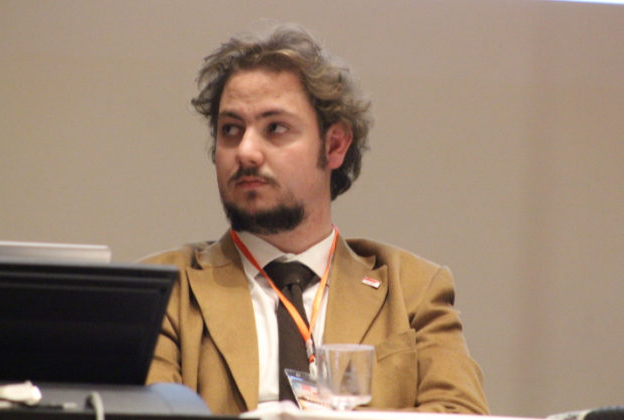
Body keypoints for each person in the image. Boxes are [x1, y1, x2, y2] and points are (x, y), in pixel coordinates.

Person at [144, 24, 489, 415]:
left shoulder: (411, 290)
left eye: (275, 128)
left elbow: (460, 414)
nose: (246, 151)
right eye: (231, 130)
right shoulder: (163, 289)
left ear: (334, 145)